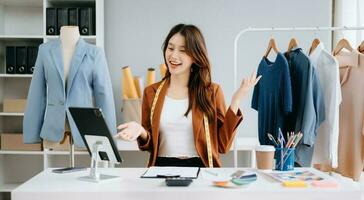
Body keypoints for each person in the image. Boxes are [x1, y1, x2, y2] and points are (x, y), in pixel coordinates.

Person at [116, 24, 261, 167]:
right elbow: (149, 145)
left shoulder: (211, 92)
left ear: (195, 57)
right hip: (160, 169)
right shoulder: (151, 93)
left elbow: (223, 145)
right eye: (170, 48)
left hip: (201, 169)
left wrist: (236, 100)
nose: (173, 56)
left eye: (182, 50)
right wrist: (140, 131)